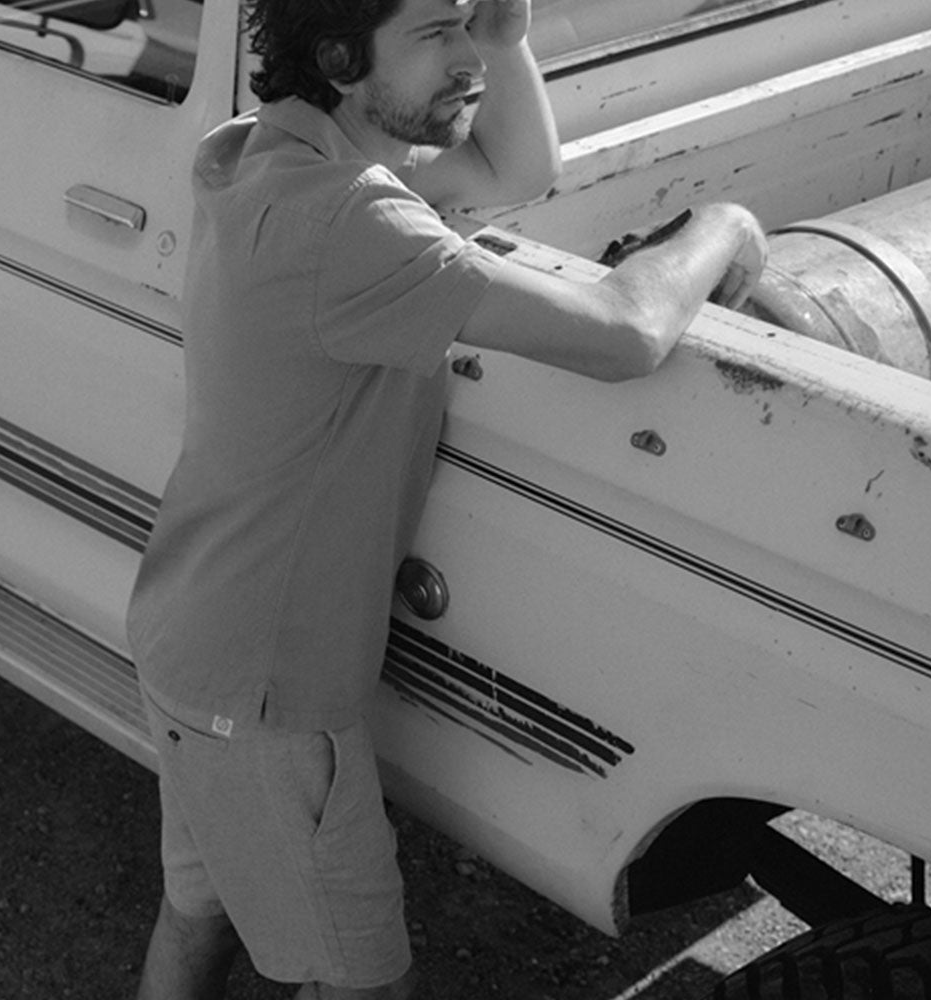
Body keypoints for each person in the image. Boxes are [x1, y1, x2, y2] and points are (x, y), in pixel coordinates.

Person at [124, 0, 768, 997]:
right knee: (363, 979)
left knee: (201, 906)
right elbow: (626, 329)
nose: (467, 55)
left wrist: (504, 40)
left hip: (198, 637)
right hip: (264, 695)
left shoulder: (256, 155)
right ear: (341, 59)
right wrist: (723, 225)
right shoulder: (350, 222)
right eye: (436, 33)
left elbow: (512, 175)